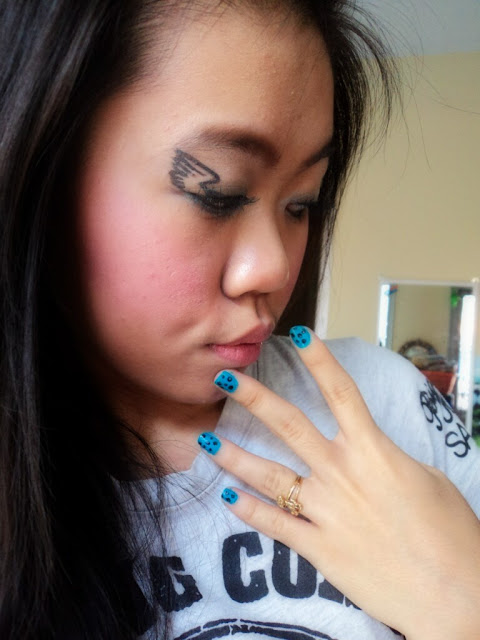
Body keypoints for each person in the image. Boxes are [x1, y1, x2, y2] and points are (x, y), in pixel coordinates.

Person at [1, 1, 479, 639]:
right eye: (218, 193)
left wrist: (462, 603)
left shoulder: (385, 403)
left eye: (301, 203)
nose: (275, 268)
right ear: (42, 174)